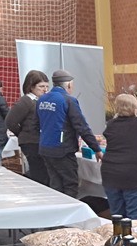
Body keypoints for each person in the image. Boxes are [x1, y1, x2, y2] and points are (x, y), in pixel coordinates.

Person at [37, 69, 102, 197]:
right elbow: (82, 127)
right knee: (70, 184)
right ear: (69, 85)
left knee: (55, 184)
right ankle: (70, 209)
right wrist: (96, 149)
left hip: (45, 148)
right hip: (63, 149)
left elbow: (38, 122)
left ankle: (57, 208)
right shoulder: (68, 100)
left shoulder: (42, 99)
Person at [101, 94, 137, 219]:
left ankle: (118, 231)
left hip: (111, 174)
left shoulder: (110, 125)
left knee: (117, 216)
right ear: (135, 108)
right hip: (134, 175)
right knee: (135, 218)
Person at [5, 70, 51, 185]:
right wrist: (23, 133)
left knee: (44, 171)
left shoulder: (42, 101)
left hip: (40, 141)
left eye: (47, 86)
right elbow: (10, 121)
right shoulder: (25, 101)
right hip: (31, 142)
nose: (45, 90)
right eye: (41, 86)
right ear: (31, 86)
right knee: (39, 172)